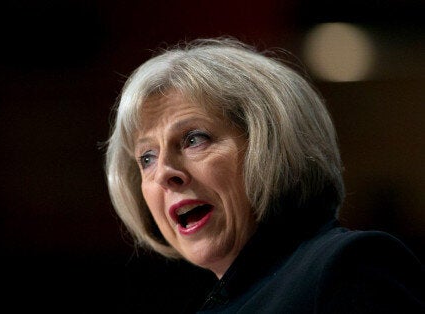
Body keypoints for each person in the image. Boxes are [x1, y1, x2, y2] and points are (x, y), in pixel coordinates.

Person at [103, 37, 424, 313]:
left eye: (193, 139)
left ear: (268, 143)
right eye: (146, 157)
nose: (163, 174)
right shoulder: (227, 298)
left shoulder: (349, 269)